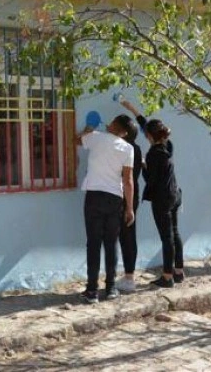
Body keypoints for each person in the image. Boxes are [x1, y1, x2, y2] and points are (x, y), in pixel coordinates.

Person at [76, 115, 135, 304]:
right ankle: (110, 288)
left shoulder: (95, 137)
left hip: (94, 196)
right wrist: (130, 208)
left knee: (93, 243)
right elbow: (128, 181)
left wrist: (87, 129)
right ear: (124, 132)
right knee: (111, 243)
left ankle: (92, 290)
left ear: (112, 125)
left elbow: (75, 140)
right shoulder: (128, 148)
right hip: (114, 199)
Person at [142, 119, 184, 288]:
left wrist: (143, 166)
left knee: (166, 238)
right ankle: (178, 271)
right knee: (175, 233)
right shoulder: (167, 147)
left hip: (161, 199)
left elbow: (150, 181)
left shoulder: (153, 154)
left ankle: (167, 276)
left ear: (149, 135)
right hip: (174, 194)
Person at [116, 121, 142, 293]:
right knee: (128, 236)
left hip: (126, 196)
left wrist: (128, 207)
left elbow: (126, 179)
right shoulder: (136, 149)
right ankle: (128, 275)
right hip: (131, 195)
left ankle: (129, 277)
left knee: (126, 237)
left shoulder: (125, 150)